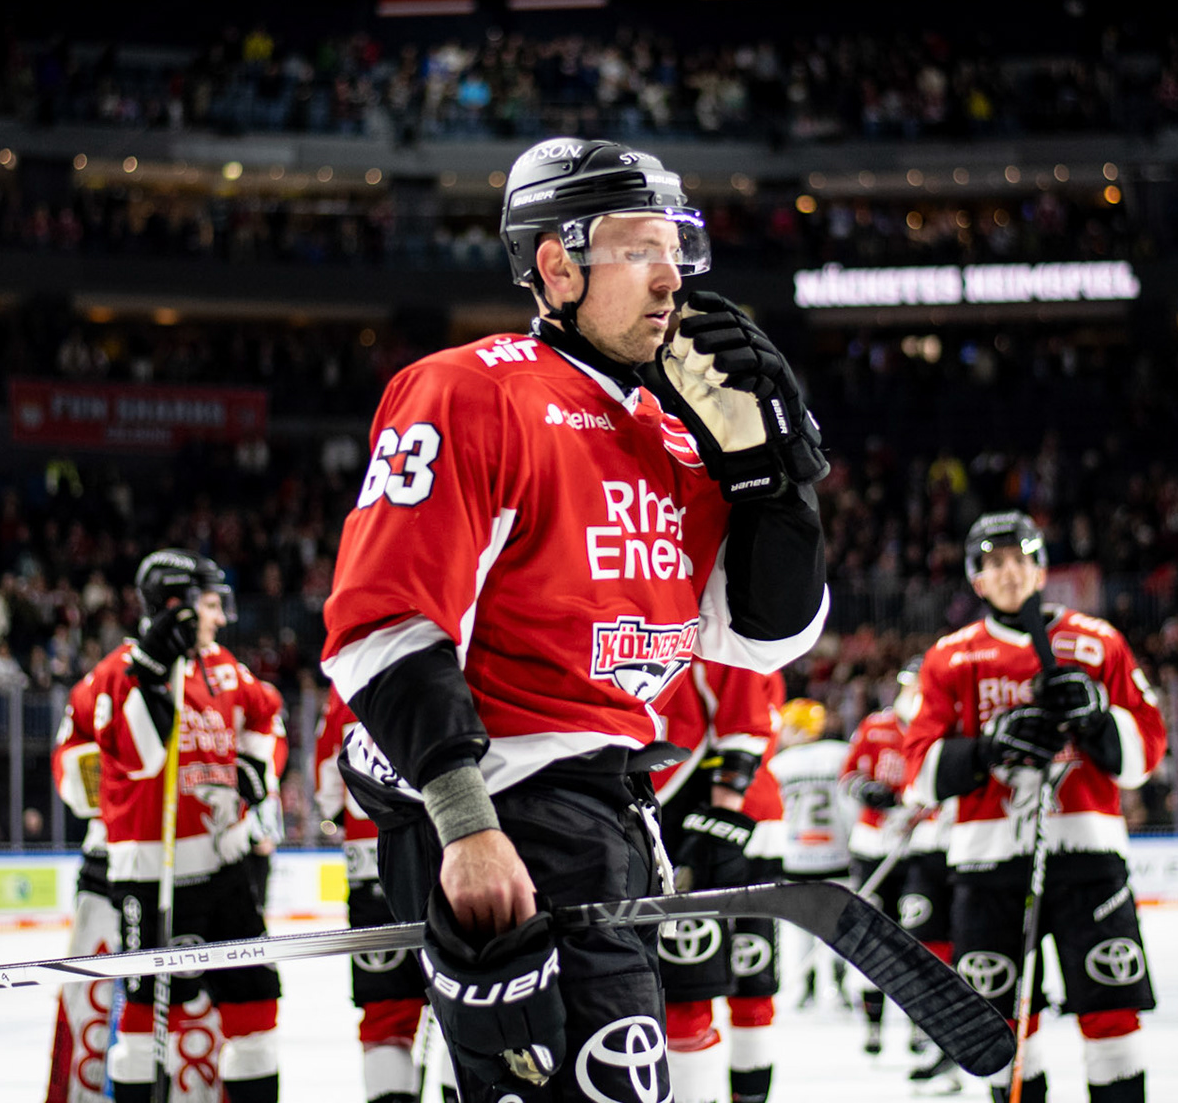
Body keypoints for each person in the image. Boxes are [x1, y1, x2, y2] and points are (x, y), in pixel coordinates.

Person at [323, 137, 830, 1103]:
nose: (672, 272)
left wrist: (780, 483)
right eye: (642, 247)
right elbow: (382, 623)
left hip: (612, 812)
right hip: (508, 806)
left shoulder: (674, 431)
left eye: (678, 245)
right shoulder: (471, 389)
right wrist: (466, 825)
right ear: (557, 263)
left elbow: (762, 635)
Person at [901, 512, 1166, 1103]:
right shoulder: (949, 657)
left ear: (1042, 568)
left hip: (1087, 857)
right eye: (994, 563)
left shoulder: (1099, 642)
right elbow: (917, 774)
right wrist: (987, 749)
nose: (1010, 572)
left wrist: (1098, 721)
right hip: (988, 863)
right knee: (1001, 1027)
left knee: (1111, 1014)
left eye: (1020, 558)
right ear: (976, 579)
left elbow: (1145, 752)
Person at [93, 549, 284, 1103]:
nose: (221, 617)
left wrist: (256, 766)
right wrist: (150, 679)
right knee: (143, 1034)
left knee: (256, 1010)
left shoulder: (223, 665)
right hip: (151, 877)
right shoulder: (117, 673)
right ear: (175, 607)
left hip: (223, 869)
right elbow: (139, 758)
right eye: (208, 604)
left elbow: (269, 716)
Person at [650, 660, 786, 1103]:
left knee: (700, 990)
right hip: (737, 823)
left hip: (711, 827)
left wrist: (721, 819)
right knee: (740, 987)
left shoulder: (716, 631)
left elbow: (744, 725)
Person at [315, 686, 429, 1103]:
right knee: (471, 1003)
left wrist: (337, 814)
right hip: (456, 854)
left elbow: (328, 785)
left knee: (387, 1015)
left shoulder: (347, 679)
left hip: (373, 865)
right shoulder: (462, 655)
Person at [46, 660, 118, 1103]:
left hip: (186, 873)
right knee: (89, 1005)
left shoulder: (222, 679)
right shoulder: (104, 683)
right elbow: (74, 778)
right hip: (108, 868)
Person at [890, 658, 962, 1094]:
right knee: (923, 950)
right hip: (923, 852)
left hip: (965, 852)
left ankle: (955, 1046)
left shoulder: (961, 713)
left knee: (962, 954)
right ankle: (938, 1040)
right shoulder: (904, 722)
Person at [840, 680, 919, 1057]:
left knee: (920, 940)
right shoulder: (875, 726)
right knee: (872, 937)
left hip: (921, 849)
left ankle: (921, 1026)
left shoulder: (938, 725)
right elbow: (848, 775)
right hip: (873, 845)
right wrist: (866, 789)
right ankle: (874, 1026)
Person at [764, 697, 852, 1009]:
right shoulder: (842, 754)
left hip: (796, 856)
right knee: (839, 926)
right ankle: (841, 984)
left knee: (801, 929)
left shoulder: (779, 764)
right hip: (839, 853)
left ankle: (808, 986)